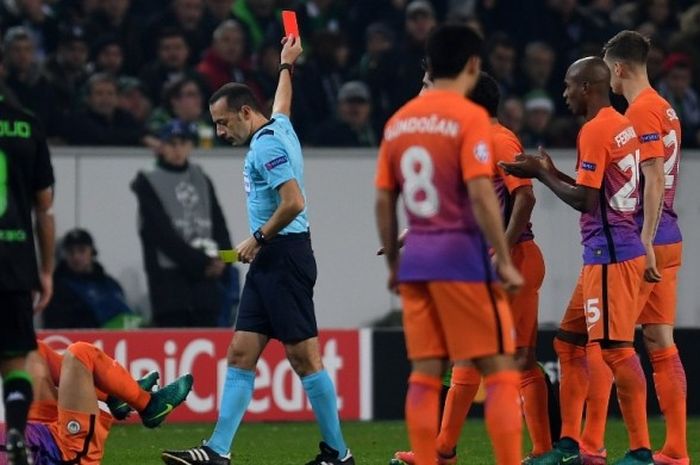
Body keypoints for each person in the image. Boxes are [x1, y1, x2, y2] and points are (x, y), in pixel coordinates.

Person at [161, 35, 354, 465]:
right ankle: (217, 451)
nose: (219, 131)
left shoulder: (265, 147)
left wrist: (258, 238)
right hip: (272, 261)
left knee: (304, 358)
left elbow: (294, 202)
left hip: (283, 256)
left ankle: (339, 454)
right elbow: (281, 104)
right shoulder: (277, 126)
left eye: (224, 122)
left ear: (246, 113)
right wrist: (287, 65)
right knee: (241, 353)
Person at [376, 24, 524, 465]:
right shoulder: (470, 118)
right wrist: (506, 258)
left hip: (418, 261)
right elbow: (481, 195)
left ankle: (427, 458)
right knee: (499, 371)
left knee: (423, 376)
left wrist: (393, 263)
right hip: (462, 260)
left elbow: (385, 199)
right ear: (473, 65)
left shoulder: (398, 122)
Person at [390, 72, 550, 465]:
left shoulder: (498, 139)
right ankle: (539, 451)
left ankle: (443, 451)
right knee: (514, 359)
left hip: (513, 260)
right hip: (506, 262)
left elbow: (525, 198)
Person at [501, 57, 653, 465]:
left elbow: (584, 202)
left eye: (569, 86)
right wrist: (554, 172)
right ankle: (570, 445)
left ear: (587, 87)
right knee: (568, 343)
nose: (564, 93)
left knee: (616, 350)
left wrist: (540, 174)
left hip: (610, 256)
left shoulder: (595, 129)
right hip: (607, 252)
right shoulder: (620, 126)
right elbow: (595, 191)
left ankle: (640, 451)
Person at [577, 30, 688, 465]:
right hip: (671, 238)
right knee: (661, 343)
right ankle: (675, 449)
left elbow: (655, 175)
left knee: (606, 342)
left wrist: (644, 235)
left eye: (609, 70)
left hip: (642, 242)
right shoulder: (666, 108)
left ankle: (592, 444)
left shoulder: (639, 113)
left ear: (619, 69)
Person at [0, 339, 193, 465]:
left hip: (35, 430)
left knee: (29, 350)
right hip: (65, 452)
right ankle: (147, 404)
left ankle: (116, 395)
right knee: (81, 353)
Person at [0, 46, 56, 465]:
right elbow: (44, 206)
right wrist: (47, 269)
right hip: (14, 261)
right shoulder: (27, 125)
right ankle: (16, 433)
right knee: (15, 358)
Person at [131, 120, 233, 328]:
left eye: (183, 143)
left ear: (190, 146)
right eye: (171, 143)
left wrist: (226, 259)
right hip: (170, 288)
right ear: (161, 146)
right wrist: (205, 263)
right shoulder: (147, 180)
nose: (177, 149)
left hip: (206, 286)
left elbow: (219, 225)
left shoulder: (202, 178)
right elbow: (161, 235)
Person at [42, 228, 138, 329]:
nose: (76, 256)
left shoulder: (110, 284)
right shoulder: (57, 289)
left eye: (81, 250)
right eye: (71, 252)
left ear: (92, 252)